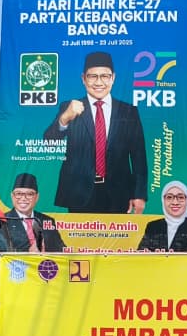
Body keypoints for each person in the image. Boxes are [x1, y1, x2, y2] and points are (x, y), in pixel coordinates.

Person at [45, 51, 148, 214]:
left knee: (117, 239)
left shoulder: (128, 111)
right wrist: (64, 119)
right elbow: (48, 143)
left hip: (118, 194)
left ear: (113, 78)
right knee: (78, 240)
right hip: (79, 193)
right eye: (92, 76)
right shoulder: (69, 107)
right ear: (83, 79)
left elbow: (139, 157)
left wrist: (139, 194)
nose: (99, 82)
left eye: (105, 76)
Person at [6, 172, 65, 252]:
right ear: (12, 196)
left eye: (30, 194)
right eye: (18, 194)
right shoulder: (3, 221)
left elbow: (61, 249)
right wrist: (28, 254)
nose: (23, 198)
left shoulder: (47, 221)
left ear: (37, 197)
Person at [137, 180, 187, 252]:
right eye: (169, 197)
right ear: (163, 200)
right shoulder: (153, 226)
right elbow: (141, 253)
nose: (175, 202)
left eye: (180, 197)